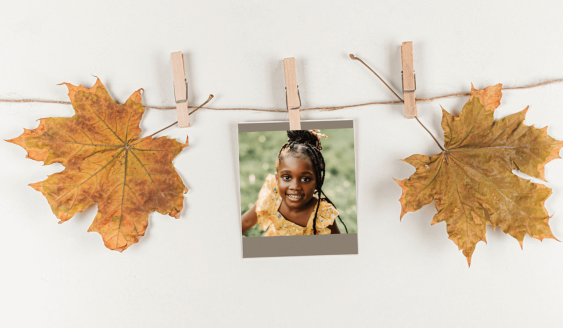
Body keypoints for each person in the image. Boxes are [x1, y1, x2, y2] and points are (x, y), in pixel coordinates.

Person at [241, 129, 347, 236]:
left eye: (305, 179)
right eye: (287, 177)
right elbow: (247, 221)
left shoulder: (321, 215)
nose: (295, 187)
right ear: (277, 179)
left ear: (318, 181)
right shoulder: (273, 195)